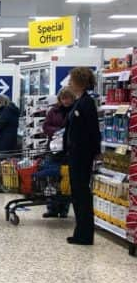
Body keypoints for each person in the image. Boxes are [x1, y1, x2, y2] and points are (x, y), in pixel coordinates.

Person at [64, 67, 101, 246]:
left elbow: (93, 130)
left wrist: (96, 152)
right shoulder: (79, 102)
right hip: (75, 154)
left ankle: (85, 234)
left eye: (72, 80)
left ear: (80, 82)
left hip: (82, 155)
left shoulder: (87, 103)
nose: (69, 83)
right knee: (77, 194)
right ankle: (80, 232)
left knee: (82, 194)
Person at [42, 88, 75, 219]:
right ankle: (51, 208)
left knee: (65, 180)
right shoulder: (53, 111)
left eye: (69, 98)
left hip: (69, 150)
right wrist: (57, 131)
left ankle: (64, 209)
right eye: (64, 98)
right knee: (51, 178)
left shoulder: (75, 111)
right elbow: (45, 126)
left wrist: (67, 133)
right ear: (60, 99)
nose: (66, 101)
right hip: (53, 149)